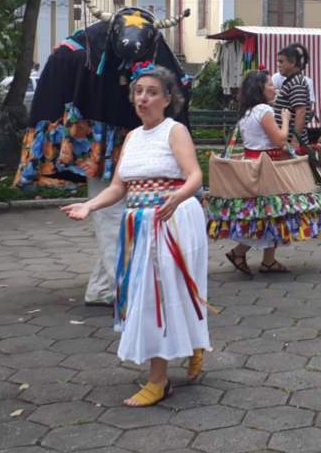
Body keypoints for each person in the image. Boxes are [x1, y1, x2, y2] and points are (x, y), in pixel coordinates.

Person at [61, 66, 210, 406]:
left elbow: (195, 175)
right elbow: (118, 187)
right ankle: (193, 344)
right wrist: (90, 206)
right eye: (139, 91)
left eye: (152, 92)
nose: (143, 98)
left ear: (168, 99)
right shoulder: (131, 137)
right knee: (148, 295)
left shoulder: (175, 131)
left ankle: (159, 381)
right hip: (138, 225)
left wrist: (179, 196)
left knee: (158, 297)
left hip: (171, 220)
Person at [211, 71, 321, 275]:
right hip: (267, 167)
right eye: (270, 84)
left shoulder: (248, 111)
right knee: (273, 212)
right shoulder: (263, 110)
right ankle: (242, 252)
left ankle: (266, 259)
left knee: (270, 213)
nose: (274, 88)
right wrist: (286, 119)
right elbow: (279, 140)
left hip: (254, 163)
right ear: (260, 89)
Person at [273, 43, 312, 153]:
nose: (278, 65)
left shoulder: (296, 83)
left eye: (281, 61)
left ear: (293, 63)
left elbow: (301, 111)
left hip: (291, 142)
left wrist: (295, 141)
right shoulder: (291, 80)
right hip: (286, 139)